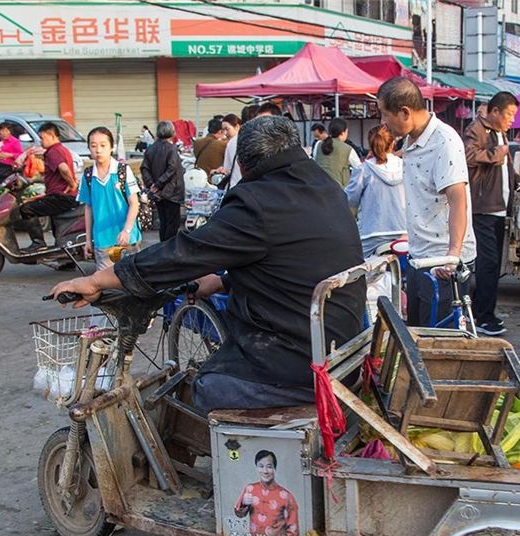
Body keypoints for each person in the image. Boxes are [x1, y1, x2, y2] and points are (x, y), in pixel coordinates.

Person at [49, 115, 365, 413]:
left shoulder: (258, 200)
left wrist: (97, 280)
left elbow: (185, 252)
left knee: (205, 383)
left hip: (300, 366)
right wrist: (222, 281)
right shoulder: (324, 186)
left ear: (242, 164)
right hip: (341, 352)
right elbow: (295, 258)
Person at [376, 77, 476, 327]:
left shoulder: (444, 142)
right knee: (417, 339)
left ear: (405, 112)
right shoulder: (411, 140)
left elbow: (458, 201)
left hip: (443, 264)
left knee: (440, 349)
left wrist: (452, 256)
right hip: (420, 256)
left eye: (385, 115)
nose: (383, 123)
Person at [464, 91, 519, 336]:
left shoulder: (500, 133)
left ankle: (482, 311)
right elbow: (469, 156)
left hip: (499, 208)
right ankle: (484, 318)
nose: (511, 120)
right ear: (495, 111)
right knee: (487, 263)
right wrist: (498, 153)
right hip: (482, 207)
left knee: (495, 264)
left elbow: (505, 170)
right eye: (509, 114)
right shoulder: (477, 129)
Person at [78, 126, 141, 269]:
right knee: (106, 283)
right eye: (93, 146)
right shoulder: (88, 176)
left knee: (131, 280)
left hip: (128, 240)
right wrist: (88, 240)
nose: (98, 150)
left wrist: (127, 230)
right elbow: (88, 208)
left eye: (103, 145)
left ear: (112, 147)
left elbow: (134, 203)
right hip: (102, 241)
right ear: (89, 149)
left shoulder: (123, 171)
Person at [344, 125, 406, 257]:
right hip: (403, 232)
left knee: (361, 271)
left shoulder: (364, 169)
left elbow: (350, 199)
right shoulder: (405, 166)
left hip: (371, 234)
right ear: (393, 143)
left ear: (371, 144)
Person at [18, 122, 80, 251]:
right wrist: (33, 180)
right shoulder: (61, 149)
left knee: (26, 209)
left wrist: (72, 184)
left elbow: (63, 169)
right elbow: (54, 174)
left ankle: (38, 243)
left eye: (42, 138)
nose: (41, 141)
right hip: (63, 196)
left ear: (51, 135)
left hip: (61, 197)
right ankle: (66, 259)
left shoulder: (53, 151)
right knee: (57, 226)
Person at [233, 450, 299, 536]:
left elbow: (293, 527)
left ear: (274, 468)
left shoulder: (286, 496)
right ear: (256, 468)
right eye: (261, 466)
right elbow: (239, 514)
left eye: (269, 467)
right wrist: (243, 503)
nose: (265, 471)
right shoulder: (250, 489)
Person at [141, 120, 185, 242]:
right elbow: (172, 168)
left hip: (158, 193)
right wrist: (158, 183)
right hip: (172, 192)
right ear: (172, 132)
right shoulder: (171, 149)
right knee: (172, 225)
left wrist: (152, 184)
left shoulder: (151, 149)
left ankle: (162, 249)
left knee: (164, 223)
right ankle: (169, 252)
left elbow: (144, 168)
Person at [314, 118, 361, 189]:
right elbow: (360, 170)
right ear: (343, 132)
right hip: (339, 191)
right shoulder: (348, 149)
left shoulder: (318, 145)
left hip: (319, 189)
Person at [212, 113, 241, 188]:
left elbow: (227, 169)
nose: (225, 133)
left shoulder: (232, 143)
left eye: (227, 129)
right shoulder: (248, 139)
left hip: (235, 184)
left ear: (237, 127)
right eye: (223, 130)